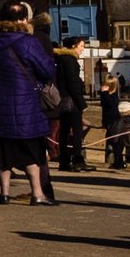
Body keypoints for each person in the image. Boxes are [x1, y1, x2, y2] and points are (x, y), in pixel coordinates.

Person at [0, 1, 58, 204]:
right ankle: (38, 193)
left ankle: (4, 193)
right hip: (24, 105)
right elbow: (47, 69)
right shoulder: (28, 42)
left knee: (2, 152)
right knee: (31, 151)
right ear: (24, 19)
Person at [51, 35, 90, 174]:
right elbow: (73, 84)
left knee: (64, 131)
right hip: (72, 101)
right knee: (77, 130)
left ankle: (64, 160)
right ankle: (78, 160)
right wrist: (82, 103)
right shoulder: (71, 61)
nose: (82, 50)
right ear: (74, 46)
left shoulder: (60, 59)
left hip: (62, 100)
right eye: (81, 47)